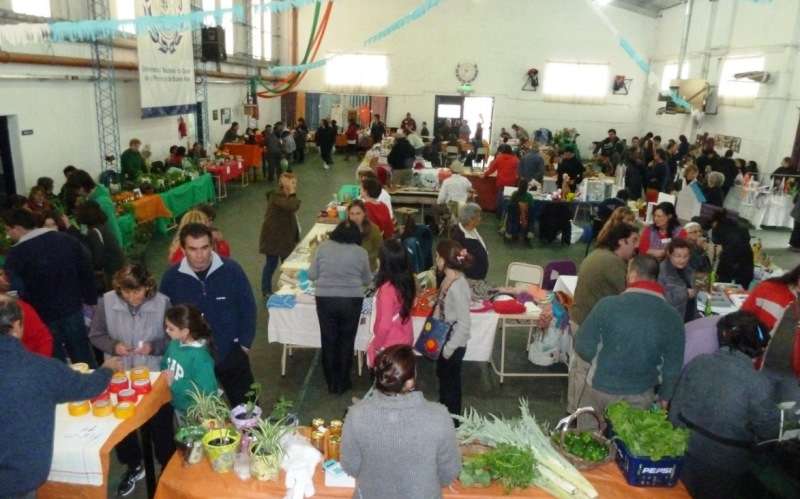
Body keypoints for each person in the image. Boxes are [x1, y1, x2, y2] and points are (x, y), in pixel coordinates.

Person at [0, 296, 122, 499]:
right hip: (16, 481)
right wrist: (106, 370)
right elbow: (86, 387)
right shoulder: (40, 369)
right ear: (16, 326)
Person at [669, 312, 777, 499]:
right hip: (726, 464)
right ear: (758, 349)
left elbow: (675, 411)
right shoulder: (758, 383)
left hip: (686, 451)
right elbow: (769, 432)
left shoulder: (699, 362)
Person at [89, 265, 174, 496]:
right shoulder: (105, 302)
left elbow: (171, 338)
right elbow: (96, 335)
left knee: (161, 427)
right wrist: (113, 346)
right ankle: (133, 464)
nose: (132, 297)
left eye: (136, 291)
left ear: (148, 286)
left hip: (154, 375)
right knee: (122, 428)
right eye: (126, 292)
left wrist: (153, 347)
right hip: (121, 377)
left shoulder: (163, 303)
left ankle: (168, 467)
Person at [575, 255, 685, 428]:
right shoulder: (673, 318)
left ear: (632, 275)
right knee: (626, 447)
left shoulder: (607, 305)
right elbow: (673, 367)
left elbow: (582, 346)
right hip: (640, 395)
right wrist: (664, 398)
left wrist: (601, 361)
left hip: (599, 388)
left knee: (585, 444)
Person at [341, 345, 461, 499]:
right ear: (411, 381)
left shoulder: (356, 414)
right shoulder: (439, 415)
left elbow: (351, 467)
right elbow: (449, 472)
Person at [160, 223, 256, 407]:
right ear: (183, 249)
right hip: (192, 359)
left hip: (231, 353)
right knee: (202, 417)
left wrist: (244, 344)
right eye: (193, 249)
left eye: (205, 248)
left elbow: (248, 307)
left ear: (212, 245)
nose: (200, 255)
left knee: (248, 410)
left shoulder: (231, 270)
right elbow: (166, 317)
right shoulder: (171, 278)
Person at [3, 208, 96, 364]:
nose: (8, 235)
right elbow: (86, 268)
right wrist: (90, 299)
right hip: (72, 308)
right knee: (83, 355)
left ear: (17, 228)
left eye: (8, 230)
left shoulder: (15, 255)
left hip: (43, 317)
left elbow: (16, 292)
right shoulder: (65, 239)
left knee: (55, 360)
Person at [568, 223, 640, 412]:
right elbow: (628, 296)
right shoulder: (613, 264)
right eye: (633, 241)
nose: (636, 246)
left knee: (578, 370)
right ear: (621, 241)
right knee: (586, 374)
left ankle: (573, 410)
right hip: (589, 326)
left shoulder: (598, 254)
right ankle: (581, 417)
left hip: (579, 318)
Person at [308, 221, 372, 394]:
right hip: (351, 300)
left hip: (325, 300)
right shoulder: (361, 252)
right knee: (346, 340)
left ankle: (331, 382)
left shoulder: (322, 248)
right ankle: (343, 382)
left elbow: (312, 274)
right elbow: (367, 280)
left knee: (328, 340)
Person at [434, 240, 473, 420]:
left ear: (444, 260)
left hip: (453, 343)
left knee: (451, 385)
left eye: (437, 256)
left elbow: (465, 324)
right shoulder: (448, 279)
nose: (435, 260)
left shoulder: (459, 285)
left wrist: (449, 349)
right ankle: (445, 416)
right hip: (444, 338)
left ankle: (454, 422)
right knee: (444, 380)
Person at [162, 304, 218, 417]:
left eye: (171, 328)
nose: (166, 331)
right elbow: (165, 363)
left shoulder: (200, 357)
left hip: (196, 412)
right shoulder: (174, 344)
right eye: (166, 326)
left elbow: (208, 392)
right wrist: (163, 374)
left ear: (185, 331)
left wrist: (174, 383)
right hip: (178, 404)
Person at [367, 240, 415, 367]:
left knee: (387, 382)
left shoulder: (387, 289)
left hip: (389, 345)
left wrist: (376, 346)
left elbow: (384, 325)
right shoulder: (407, 280)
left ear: (384, 263)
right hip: (405, 338)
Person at [259, 173, 301, 296]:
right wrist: (292, 192)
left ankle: (287, 286)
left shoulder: (285, 196)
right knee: (271, 265)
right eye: (292, 183)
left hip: (284, 237)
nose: (295, 186)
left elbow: (294, 206)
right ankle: (266, 290)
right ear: (284, 185)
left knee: (286, 264)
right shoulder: (276, 196)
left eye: (295, 183)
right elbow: (292, 206)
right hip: (273, 238)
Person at [75, 200, 126, 294]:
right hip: (118, 266)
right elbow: (83, 234)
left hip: (111, 271)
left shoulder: (94, 232)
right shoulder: (100, 226)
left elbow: (98, 259)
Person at [66, 169, 123, 246]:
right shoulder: (89, 199)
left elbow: (113, 228)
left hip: (108, 248)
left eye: (76, 192)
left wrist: (118, 249)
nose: (76, 195)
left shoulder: (102, 203)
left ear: (81, 189)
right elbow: (85, 229)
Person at [449, 203, 489, 297]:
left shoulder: (472, 229)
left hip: (477, 279)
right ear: (471, 219)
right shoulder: (458, 237)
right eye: (478, 217)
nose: (480, 219)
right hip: (469, 282)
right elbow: (458, 261)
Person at [710, 209, 754, 288]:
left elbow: (716, 241)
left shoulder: (718, 226)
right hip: (747, 259)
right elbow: (747, 238)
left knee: (722, 284)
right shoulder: (739, 224)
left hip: (729, 259)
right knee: (741, 287)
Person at [659, 238, 699, 323]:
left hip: (690, 317)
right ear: (669, 254)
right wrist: (686, 293)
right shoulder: (661, 272)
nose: (682, 260)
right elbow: (661, 300)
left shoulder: (689, 269)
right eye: (678, 256)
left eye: (686, 256)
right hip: (671, 321)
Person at [348, 199, 382, 272]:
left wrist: (364, 257)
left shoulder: (374, 229)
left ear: (364, 213)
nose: (355, 217)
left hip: (368, 269)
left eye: (358, 213)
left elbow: (379, 249)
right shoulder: (344, 229)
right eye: (352, 214)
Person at [483, 144, 519, 212]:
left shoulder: (499, 158)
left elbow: (491, 169)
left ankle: (499, 213)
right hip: (511, 182)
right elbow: (518, 171)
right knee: (509, 198)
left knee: (500, 198)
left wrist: (485, 174)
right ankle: (506, 213)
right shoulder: (516, 159)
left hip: (501, 181)